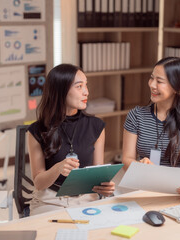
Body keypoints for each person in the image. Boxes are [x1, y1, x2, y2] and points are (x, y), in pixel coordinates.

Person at [27, 63, 115, 215]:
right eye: (79, 86)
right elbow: (39, 183)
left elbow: (97, 174)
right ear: (60, 90)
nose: (86, 92)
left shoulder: (96, 126)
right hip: (49, 200)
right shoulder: (36, 130)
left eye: (86, 85)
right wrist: (57, 169)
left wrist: (105, 187)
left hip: (86, 198)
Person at [122, 57, 180, 195]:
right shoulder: (136, 115)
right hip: (145, 190)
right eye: (151, 78)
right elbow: (126, 159)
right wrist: (140, 166)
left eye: (159, 81)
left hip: (178, 193)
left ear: (177, 87)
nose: (152, 85)